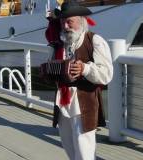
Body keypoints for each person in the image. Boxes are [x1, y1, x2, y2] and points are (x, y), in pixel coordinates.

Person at [45, 1, 113, 159]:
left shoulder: (94, 41)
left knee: (84, 150)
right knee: (68, 145)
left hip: (84, 100)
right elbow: (49, 65)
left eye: (70, 22)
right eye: (63, 23)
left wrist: (85, 69)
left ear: (81, 21)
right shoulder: (58, 44)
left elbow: (107, 74)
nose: (66, 26)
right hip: (62, 101)